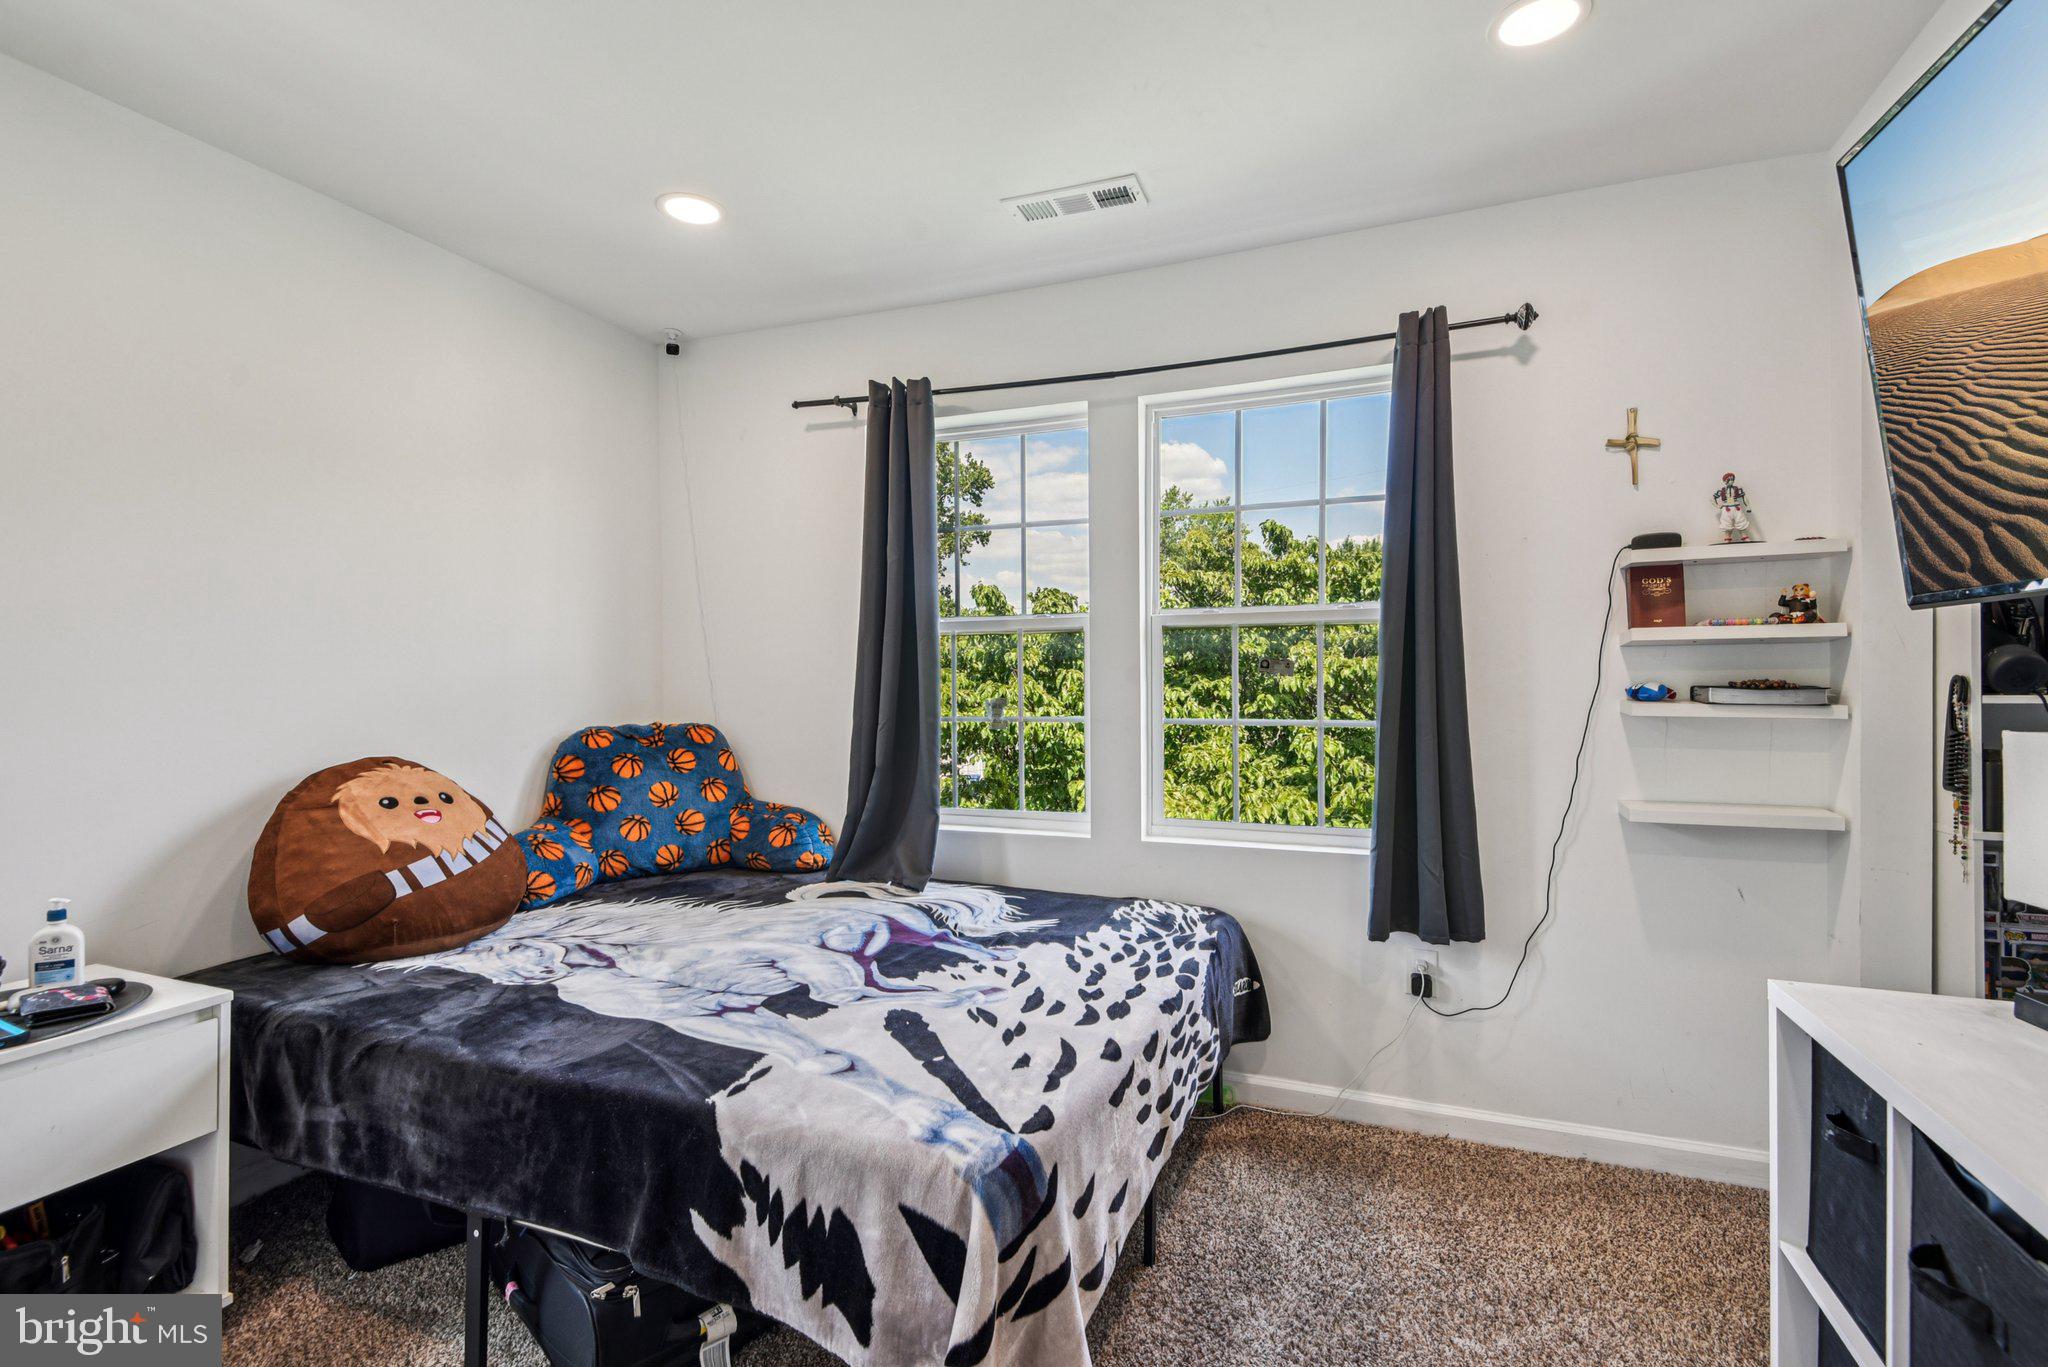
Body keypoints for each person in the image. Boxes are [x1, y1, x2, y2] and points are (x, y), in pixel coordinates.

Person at [1713, 472, 1753, 543]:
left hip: (1736, 508)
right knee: (1726, 523)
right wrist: (1718, 506)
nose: (1731, 481)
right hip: (1726, 508)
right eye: (1729, 479)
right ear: (1725, 481)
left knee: (1741, 521)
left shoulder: (1737, 489)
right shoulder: (1721, 491)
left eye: (1732, 479)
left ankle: (1744, 536)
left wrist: (1747, 506)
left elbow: (1744, 497)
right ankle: (1727, 537)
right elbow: (1713, 499)